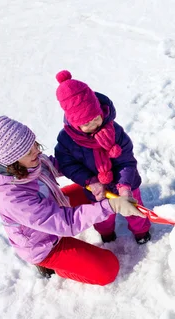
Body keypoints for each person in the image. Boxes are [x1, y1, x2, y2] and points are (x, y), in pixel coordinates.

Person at [0, 116, 145, 285]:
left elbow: (60, 165)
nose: (37, 151)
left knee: (98, 191)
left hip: (53, 206)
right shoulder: (11, 198)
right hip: (46, 243)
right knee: (108, 269)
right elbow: (65, 222)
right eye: (29, 152)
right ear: (11, 163)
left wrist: (92, 169)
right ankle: (59, 267)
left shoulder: (27, 161)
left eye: (34, 144)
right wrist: (111, 206)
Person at [54, 70, 151, 244]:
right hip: (96, 188)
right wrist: (89, 180)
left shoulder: (115, 131)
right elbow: (67, 164)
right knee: (103, 218)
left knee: (135, 211)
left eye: (96, 118)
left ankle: (141, 232)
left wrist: (125, 186)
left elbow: (126, 160)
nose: (94, 125)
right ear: (74, 123)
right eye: (86, 124)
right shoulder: (67, 140)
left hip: (126, 183)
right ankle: (107, 234)